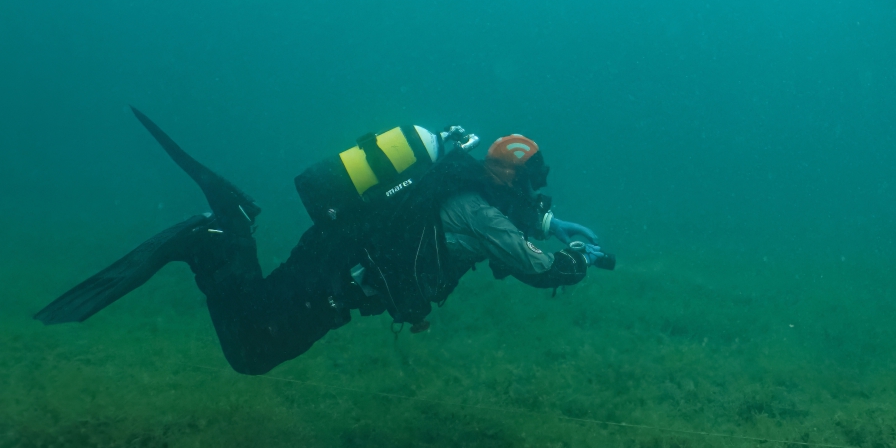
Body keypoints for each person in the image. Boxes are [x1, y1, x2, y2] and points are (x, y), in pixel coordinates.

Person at [35, 109, 613, 375]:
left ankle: (219, 234)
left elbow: (509, 226)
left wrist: (552, 224)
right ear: (505, 175)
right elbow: (535, 266)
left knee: (253, 343)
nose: (534, 193)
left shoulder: (465, 189)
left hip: (335, 262)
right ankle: (215, 234)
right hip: (333, 278)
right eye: (530, 182)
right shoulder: (475, 206)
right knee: (252, 353)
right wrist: (576, 260)